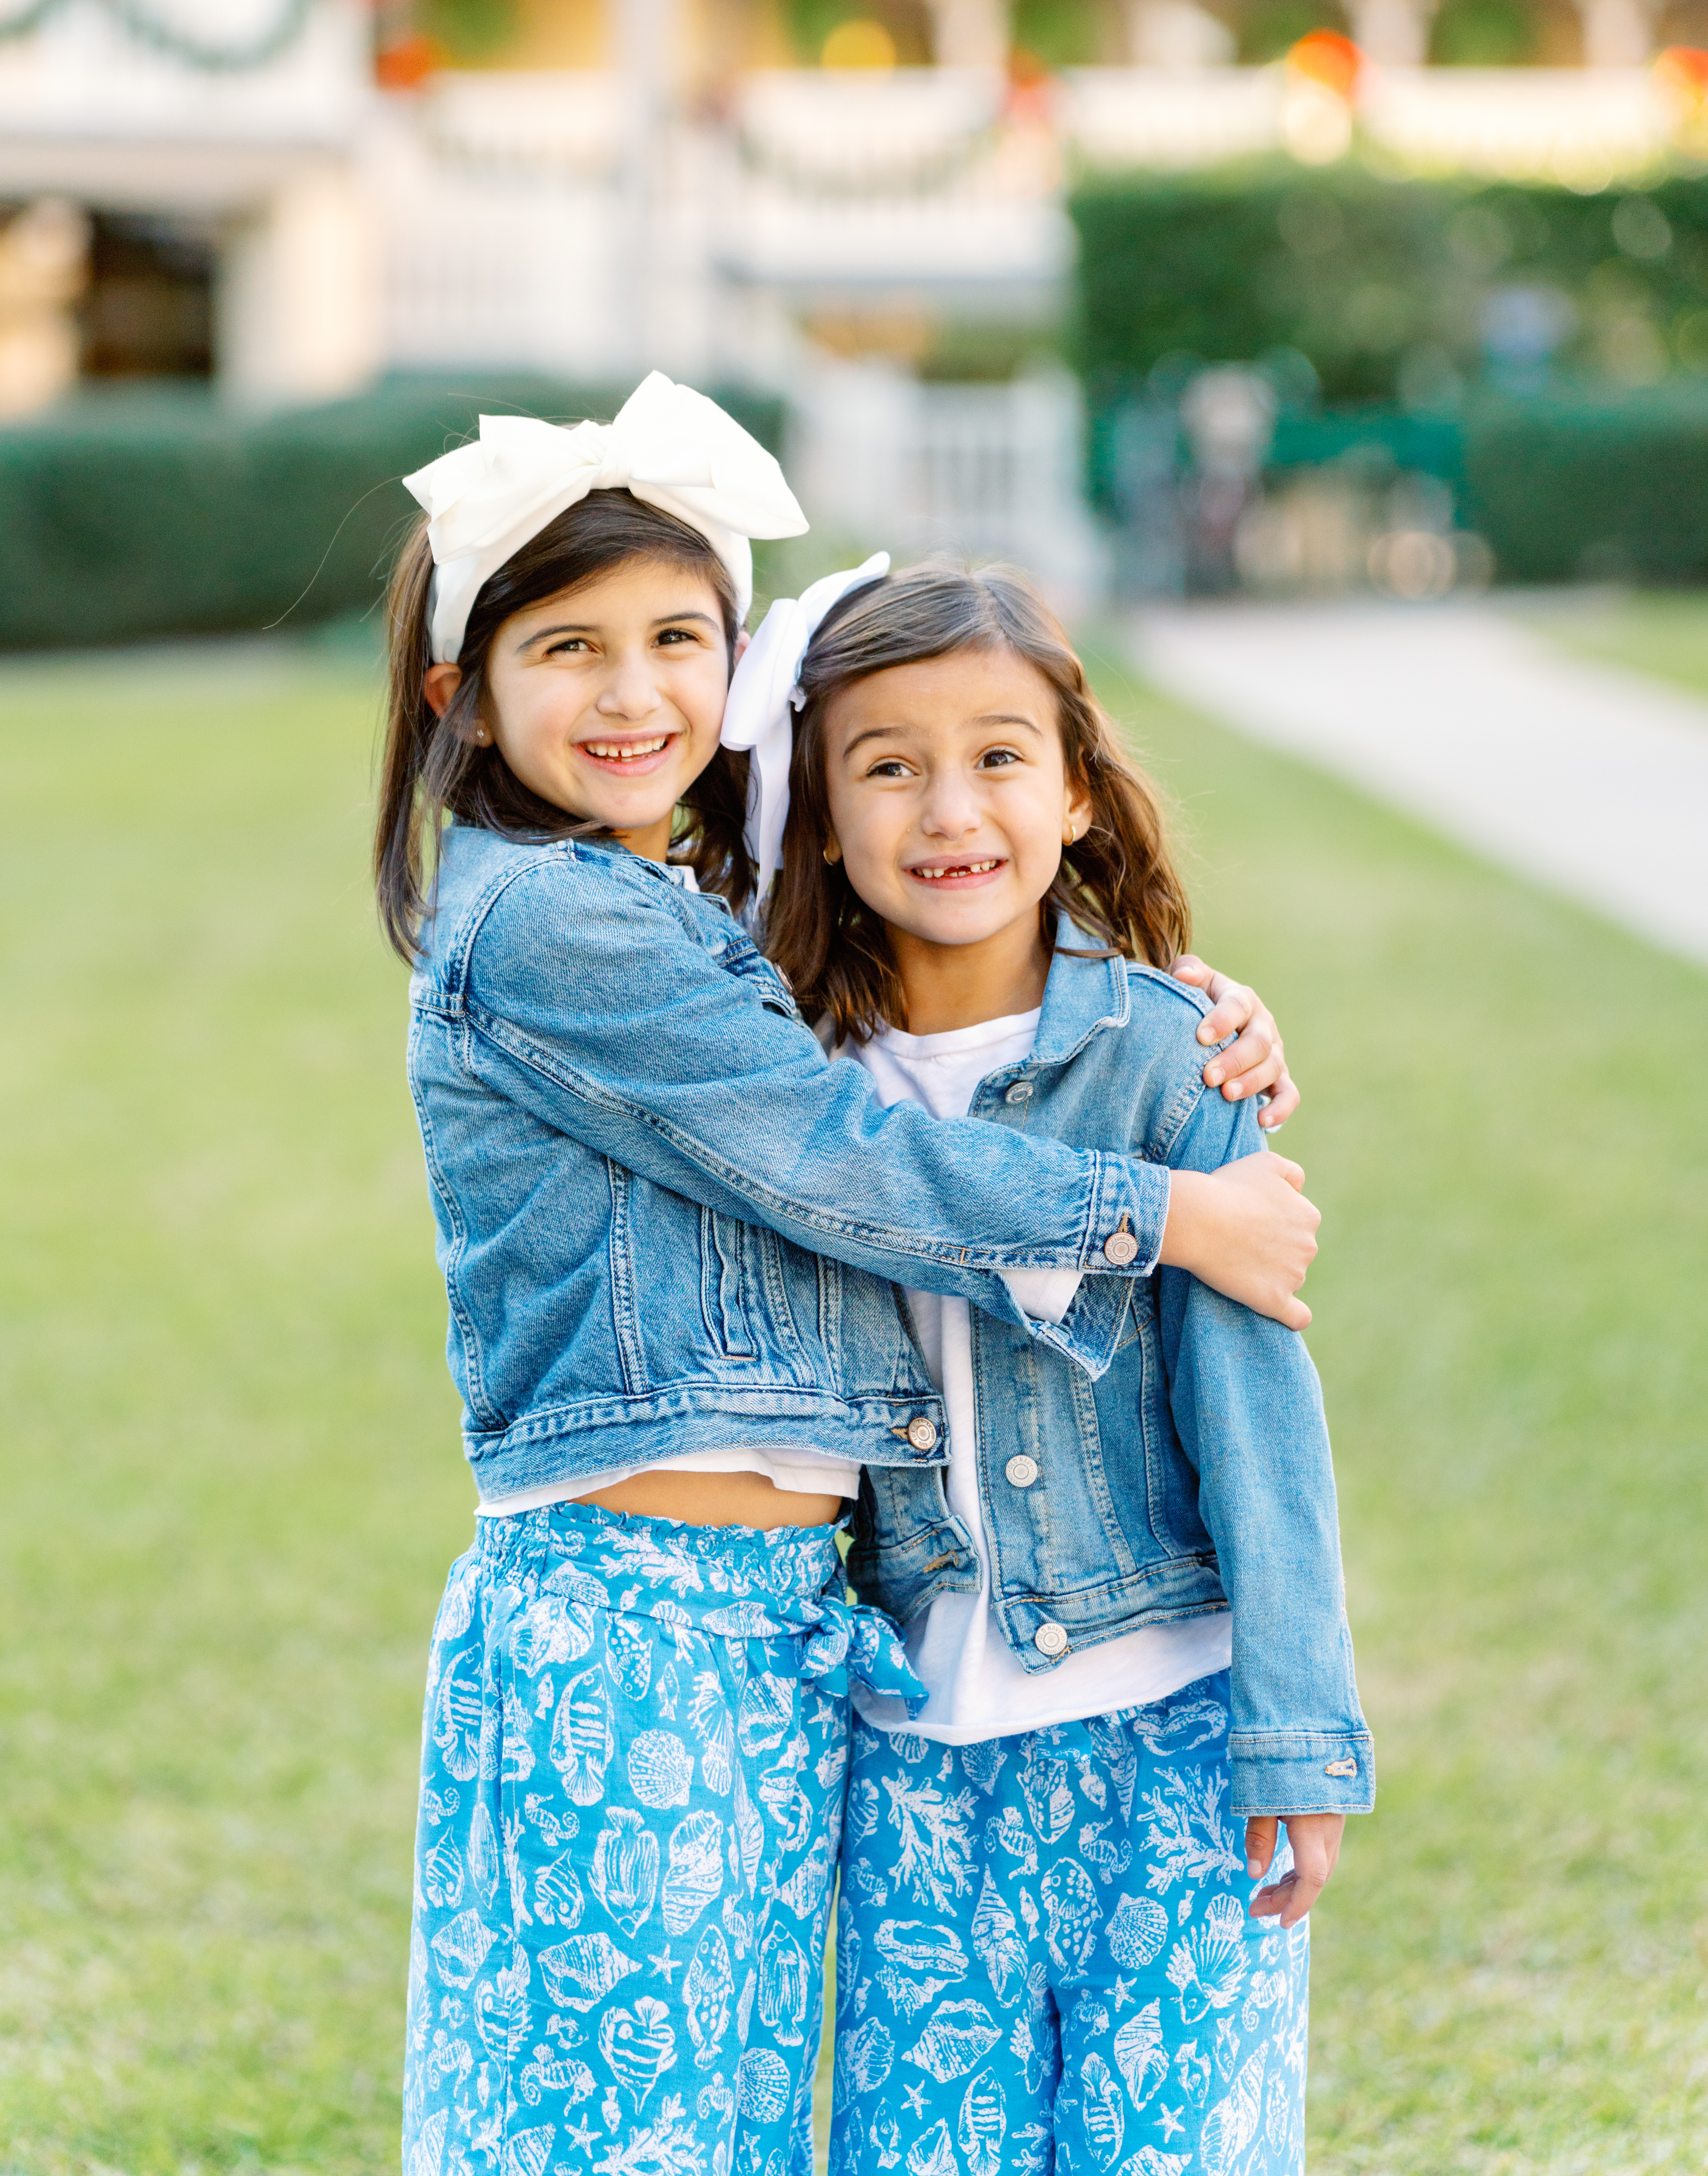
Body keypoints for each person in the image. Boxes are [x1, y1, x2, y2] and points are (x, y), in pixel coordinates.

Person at [376, 377, 1319, 2176]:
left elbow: (928, 960)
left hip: (771, 1629)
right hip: (638, 1619)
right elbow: (838, 1155)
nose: (633, 690)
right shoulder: (563, 922)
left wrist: (1168, 1003)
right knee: (619, 2135)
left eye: (676, 639)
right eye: (567, 648)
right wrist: (1162, 1209)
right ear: (460, 700)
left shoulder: (677, 916)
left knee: (702, 2126)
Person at [747, 556, 1372, 2176]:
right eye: (886, 765)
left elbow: (1260, 1421)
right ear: (816, 811)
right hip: (908, 1754)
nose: (948, 808)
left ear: (1079, 793)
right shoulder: (787, 1082)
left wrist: (1293, 1737)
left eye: (1000, 756)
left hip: (1165, 1733)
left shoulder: (1172, 1057)